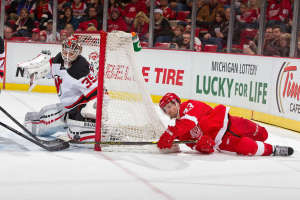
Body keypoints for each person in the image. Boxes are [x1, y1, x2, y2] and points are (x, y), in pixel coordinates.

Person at [157, 93, 294, 156]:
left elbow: (189, 121)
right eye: (167, 109)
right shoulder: (180, 132)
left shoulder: (189, 105)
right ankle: (275, 150)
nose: (170, 110)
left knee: (263, 134)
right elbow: (195, 144)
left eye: (171, 105)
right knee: (248, 147)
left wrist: (170, 133)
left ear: (177, 102)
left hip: (231, 123)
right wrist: (204, 146)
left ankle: (266, 143)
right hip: (223, 142)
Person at [19, 36, 100, 141]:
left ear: (78, 52)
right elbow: (47, 69)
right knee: (42, 114)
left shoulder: (80, 70)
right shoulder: (58, 60)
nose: (67, 56)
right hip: (66, 107)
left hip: (76, 110)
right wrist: (35, 71)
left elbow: (98, 94)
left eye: (71, 54)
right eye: (65, 52)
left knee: (44, 125)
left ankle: (84, 131)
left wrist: (87, 113)